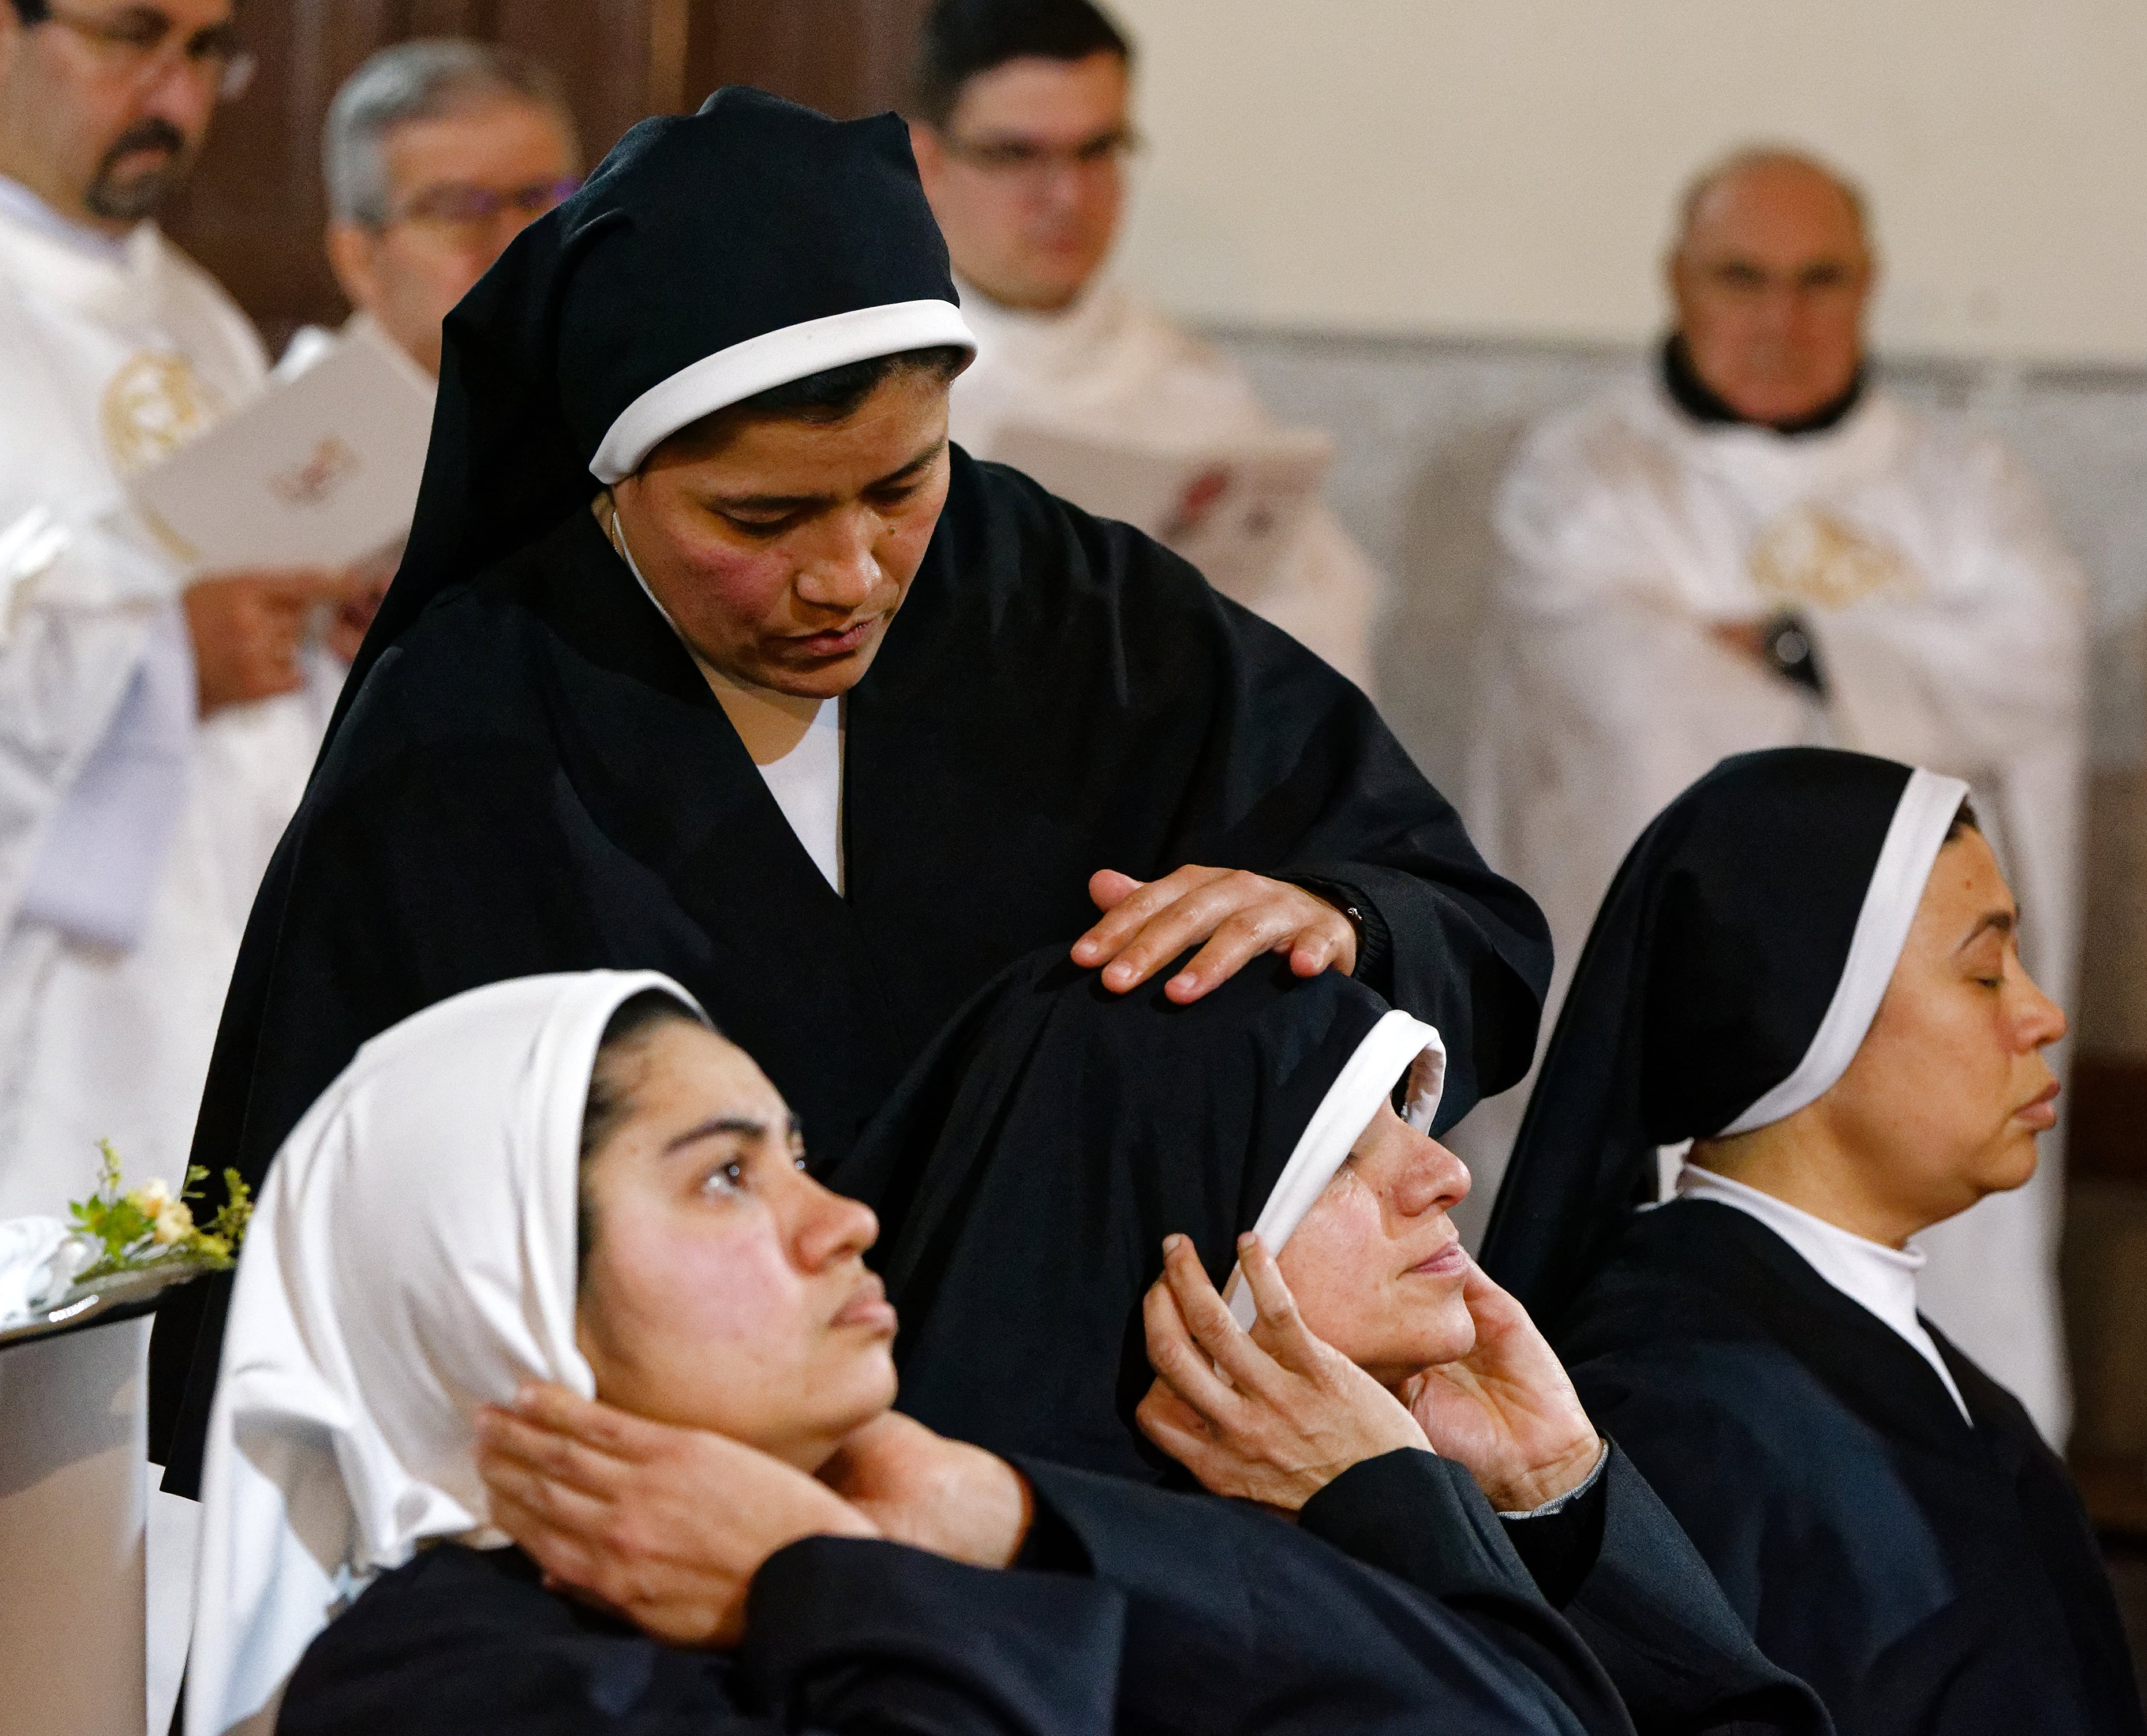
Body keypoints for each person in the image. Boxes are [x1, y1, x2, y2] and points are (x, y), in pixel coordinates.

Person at [151, 88, 1549, 1500]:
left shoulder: (1070, 608)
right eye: (758, 520)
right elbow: (354, 1250)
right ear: (615, 480)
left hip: (1092, 1521)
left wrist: (1338, 914)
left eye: (901, 485)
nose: (848, 573)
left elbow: (1477, 933)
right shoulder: (464, 733)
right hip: (661, 1525)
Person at [190, 971, 1631, 1736]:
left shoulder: (913, 1540)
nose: (841, 1221)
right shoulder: (445, 1684)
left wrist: (987, 1527)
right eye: (722, 1177)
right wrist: (831, 1581)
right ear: (489, 1282)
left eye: (799, 1157)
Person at [1463, 146, 2085, 1438]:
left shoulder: (1963, 485)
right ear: (1675, 282)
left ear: (1869, 290)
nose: (1779, 318)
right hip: (1689, 1025)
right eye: (1741, 277)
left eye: (1820, 281)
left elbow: (2034, 659)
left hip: (1920, 1035)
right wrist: (1904, 661)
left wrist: (1805, 645)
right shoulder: (1583, 476)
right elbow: (1644, 724)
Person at [848, 946, 1827, 1736]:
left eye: (1408, 1121)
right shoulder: (1061, 1661)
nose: (1447, 1173)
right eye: (1336, 1159)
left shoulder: (1394, 1533)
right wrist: (1399, 1509)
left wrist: (1555, 1499)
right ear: (1165, 1233)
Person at [1481, 748, 2142, 1736]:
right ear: (1807, 1007)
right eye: (1984, 969)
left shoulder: (1925, 1378)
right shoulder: (1675, 1407)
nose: (2042, 1015)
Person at [0, 2, 365, 1727]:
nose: (175, 93)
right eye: (133, 33)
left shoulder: (201, 317)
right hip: (48, 1022)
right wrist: (156, 652)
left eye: (208, 47)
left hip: (208, 985)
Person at [904, 0, 1382, 686]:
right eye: (1017, 153)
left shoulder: (1196, 387)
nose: (1067, 195)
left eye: (1097, 150)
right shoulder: (866, 384)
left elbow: (1320, 635)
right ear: (929, 163)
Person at [286, 38, 581, 389]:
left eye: (537, 200)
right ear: (360, 260)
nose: (518, 245)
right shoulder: (280, 438)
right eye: (460, 210)